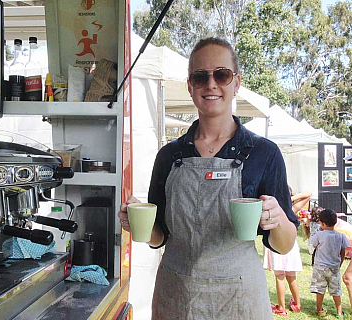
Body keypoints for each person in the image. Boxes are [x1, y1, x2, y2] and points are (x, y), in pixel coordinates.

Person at [118, 36, 298, 319]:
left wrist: (277, 218)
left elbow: (284, 244)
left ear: (236, 82)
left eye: (221, 75)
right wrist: (138, 223)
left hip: (240, 299)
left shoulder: (264, 153)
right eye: (200, 77)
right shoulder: (169, 156)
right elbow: (159, 238)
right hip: (177, 295)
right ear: (190, 86)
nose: (211, 84)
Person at [263, 187, 306, 316]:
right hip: (290, 246)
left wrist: (286, 198)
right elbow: (307, 195)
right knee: (291, 277)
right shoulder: (291, 210)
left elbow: (308, 195)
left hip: (277, 245)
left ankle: (282, 307)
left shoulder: (273, 210)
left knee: (280, 277)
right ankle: (297, 304)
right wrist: (290, 198)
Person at [310, 208, 349, 318]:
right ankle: (339, 312)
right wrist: (340, 264)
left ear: (321, 223)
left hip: (319, 268)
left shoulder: (319, 235)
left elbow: (314, 245)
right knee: (336, 291)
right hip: (334, 268)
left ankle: (319, 310)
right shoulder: (341, 236)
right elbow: (343, 251)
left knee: (320, 290)